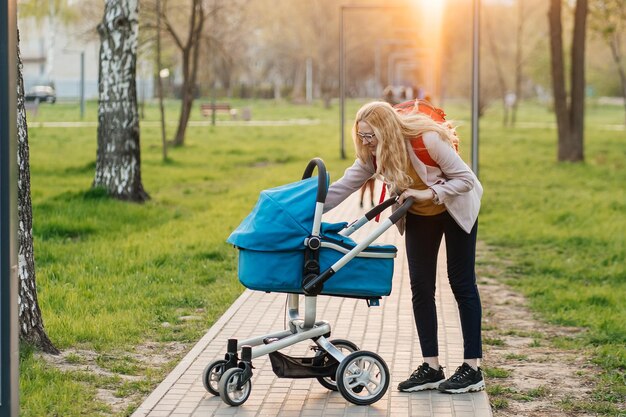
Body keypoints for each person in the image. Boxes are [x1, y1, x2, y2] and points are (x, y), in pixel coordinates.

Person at [324, 101, 485, 394]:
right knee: (420, 287)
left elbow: (466, 180)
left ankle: (472, 369)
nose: (365, 142)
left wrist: (426, 193)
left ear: (386, 131)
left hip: (454, 208)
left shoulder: (427, 140)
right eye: (361, 136)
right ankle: (431, 368)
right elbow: (342, 188)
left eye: (370, 136)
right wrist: (309, 208)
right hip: (421, 215)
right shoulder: (373, 155)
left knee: (461, 283)